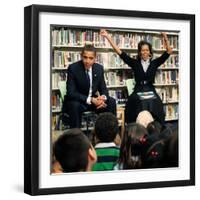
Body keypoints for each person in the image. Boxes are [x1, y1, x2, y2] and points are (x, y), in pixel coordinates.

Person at [100, 29, 172, 125]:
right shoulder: (135, 63)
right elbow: (120, 53)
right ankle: (135, 126)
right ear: (139, 52)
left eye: (147, 50)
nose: (145, 52)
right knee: (137, 101)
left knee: (156, 102)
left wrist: (165, 37)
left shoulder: (155, 63)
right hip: (138, 89)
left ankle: (157, 126)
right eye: (142, 50)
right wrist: (108, 37)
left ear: (150, 52)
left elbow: (169, 51)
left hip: (150, 88)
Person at [63, 45, 116, 128]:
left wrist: (102, 98)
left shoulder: (99, 68)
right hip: (79, 101)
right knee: (74, 105)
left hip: (94, 102)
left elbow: (103, 88)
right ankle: (76, 136)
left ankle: (109, 134)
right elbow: (71, 93)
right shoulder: (73, 68)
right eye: (85, 57)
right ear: (81, 56)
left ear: (95, 58)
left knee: (111, 102)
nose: (87, 61)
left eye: (91, 58)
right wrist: (91, 100)